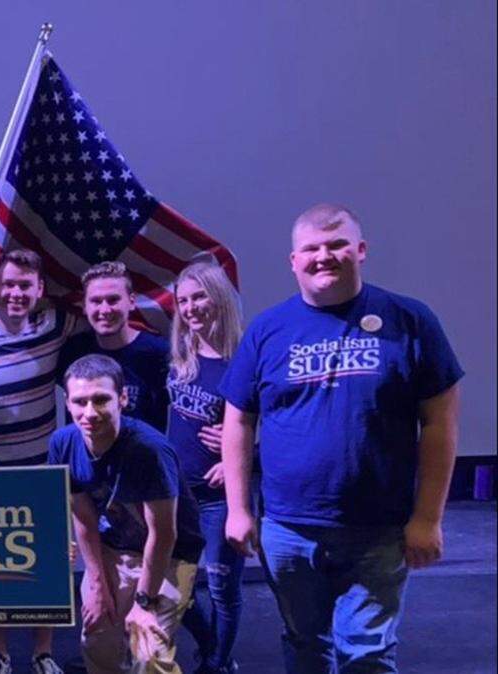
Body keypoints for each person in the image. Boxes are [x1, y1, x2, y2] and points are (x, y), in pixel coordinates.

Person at [221, 204, 463, 673]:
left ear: (361, 250)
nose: (323, 256)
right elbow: (238, 420)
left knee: (367, 655)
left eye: (336, 245)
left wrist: (428, 518)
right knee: (305, 645)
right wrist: (237, 509)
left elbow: (440, 425)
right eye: (311, 249)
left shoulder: (410, 321)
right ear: (294, 261)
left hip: (380, 530)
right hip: (288, 530)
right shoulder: (268, 331)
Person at [0, 250, 80, 674]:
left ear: (40, 290)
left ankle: (43, 653)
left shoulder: (56, 329)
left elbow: (105, 318)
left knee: (47, 564)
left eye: (25, 285)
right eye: (8, 285)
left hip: (44, 471)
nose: (15, 293)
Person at [50, 354, 204, 674]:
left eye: (101, 400)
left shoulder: (149, 449)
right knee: (97, 638)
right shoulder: (64, 443)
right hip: (112, 548)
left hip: (169, 555)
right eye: (80, 402)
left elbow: (163, 534)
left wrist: (143, 604)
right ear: (68, 402)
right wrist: (96, 584)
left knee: (148, 652)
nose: (89, 412)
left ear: (122, 398)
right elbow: (84, 518)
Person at [166, 261, 245, 674]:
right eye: (183, 300)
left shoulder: (244, 359)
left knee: (221, 586)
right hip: (179, 491)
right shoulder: (181, 356)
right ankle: (215, 650)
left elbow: (279, 421)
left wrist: (243, 457)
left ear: (219, 298)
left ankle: (216, 665)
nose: (191, 307)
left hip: (220, 497)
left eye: (199, 296)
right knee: (178, 589)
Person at [60, 261, 170, 432]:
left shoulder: (160, 353)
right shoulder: (73, 351)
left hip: (141, 456)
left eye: (113, 300)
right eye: (96, 301)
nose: (105, 309)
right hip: (84, 457)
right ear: (84, 306)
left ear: (132, 301)